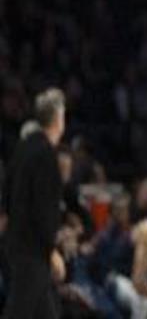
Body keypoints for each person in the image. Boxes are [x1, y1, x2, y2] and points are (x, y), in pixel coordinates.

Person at [3, 88, 67, 319]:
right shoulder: (45, 154)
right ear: (58, 119)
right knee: (18, 312)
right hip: (33, 250)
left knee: (45, 312)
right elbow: (43, 211)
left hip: (16, 244)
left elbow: (6, 194)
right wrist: (52, 251)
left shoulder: (23, 147)